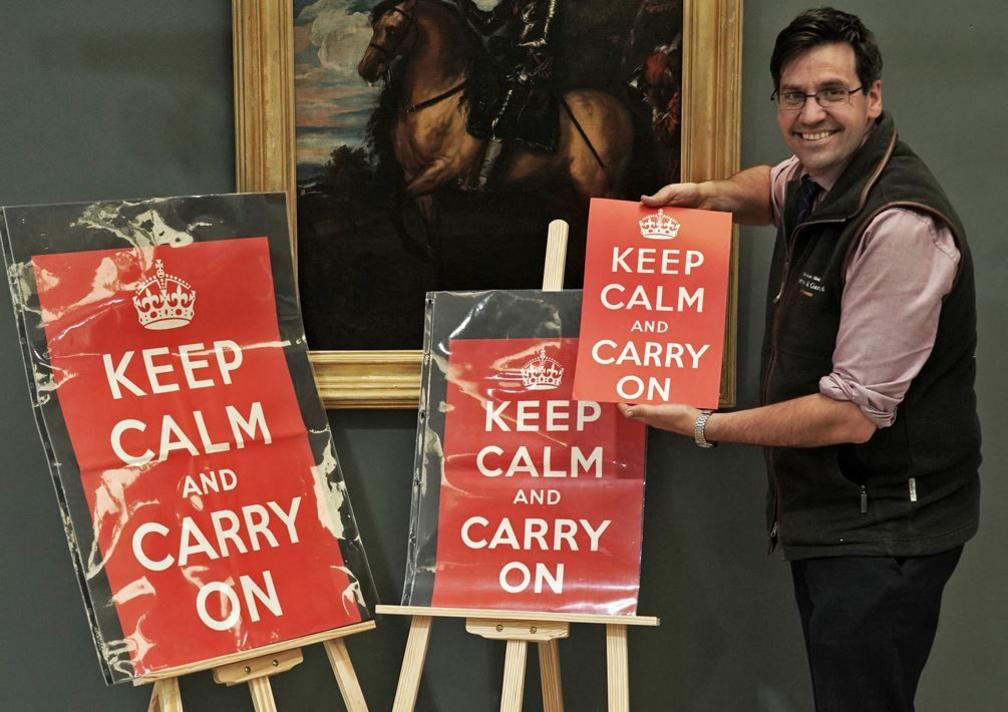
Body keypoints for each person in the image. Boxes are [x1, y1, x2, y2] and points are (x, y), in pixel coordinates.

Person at [620, 8, 981, 712]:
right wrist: (708, 197)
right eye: (793, 95)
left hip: (883, 530)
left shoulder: (897, 224)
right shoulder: (827, 177)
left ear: (872, 98)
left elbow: (849, 414)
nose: (811, 113)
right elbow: (773, 187)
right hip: (841, 517)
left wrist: (703, 424)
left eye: (832, 93)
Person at [454, 0, 561, 189]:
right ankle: (463, 170)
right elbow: (488, 25)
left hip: (531, 67)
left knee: (499, 122)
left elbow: (546, 40)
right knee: (476, 106)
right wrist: (466, 7)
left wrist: (513, 46)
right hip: (506, 63)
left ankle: (482, 181)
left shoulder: (551, 3)